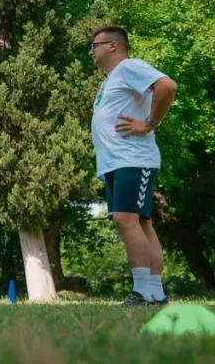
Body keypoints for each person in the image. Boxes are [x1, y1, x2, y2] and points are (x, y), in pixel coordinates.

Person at [89, 26, 177, 306]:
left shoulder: (130, 67)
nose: (91, 51)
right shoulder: (111, 79)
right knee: (140, 223)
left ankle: (141, 291)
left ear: (113, 46)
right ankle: (155, 293)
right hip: (117, 162)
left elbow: (167, 86)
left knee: (125, 220)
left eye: (95, 45)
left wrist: (150, 123)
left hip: (133, 159)